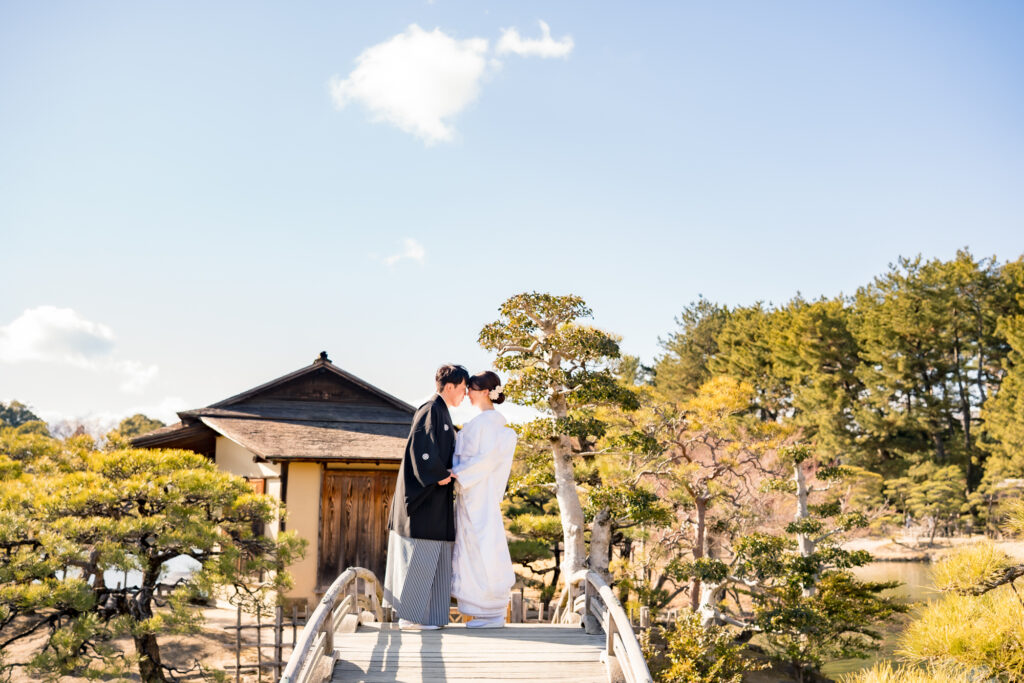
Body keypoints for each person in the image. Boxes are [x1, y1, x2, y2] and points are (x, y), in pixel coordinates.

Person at [383, 364, 469, 630]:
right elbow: (421, 449)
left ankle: (431, 617)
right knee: (422, 553)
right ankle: (410, 616)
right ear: (450, 386)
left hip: (436, 497)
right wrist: (437, 472)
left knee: (437, 554)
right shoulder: (430, 409)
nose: (465, 395)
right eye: (464, 389)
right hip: (425, 497)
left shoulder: (441, 413)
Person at [451, 371, 518, 628]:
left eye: (471, 388)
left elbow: (487, 460)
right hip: (475, 492)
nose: (466, 393)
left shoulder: (486, 423)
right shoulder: (485, 423)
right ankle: (485, 609)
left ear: (484, 392)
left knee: (482, 547)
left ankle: (490, 610)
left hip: (477, 492)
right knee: (478, 546)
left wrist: (458, 473)